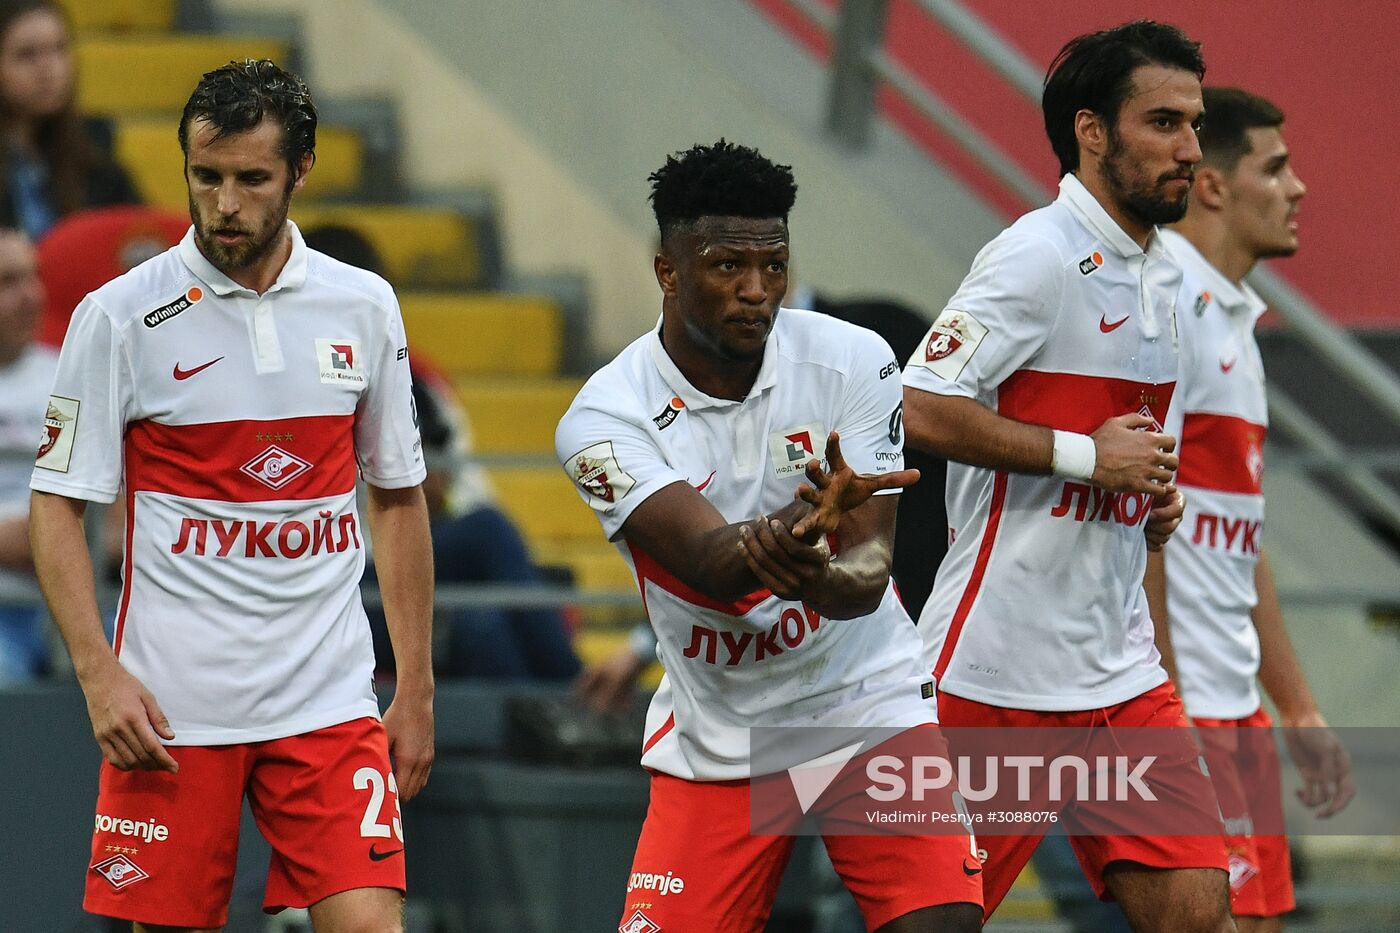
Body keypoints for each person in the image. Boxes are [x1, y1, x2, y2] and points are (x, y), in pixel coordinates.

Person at [29, 59, 433, 932]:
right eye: (205, 177)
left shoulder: (362, 306)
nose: (225, 204)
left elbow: (398, 498)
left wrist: (418, 688)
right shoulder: (118, 316)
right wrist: (98, 676)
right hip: (173, 711)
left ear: (302, 169)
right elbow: (56, 507)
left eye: (252, 179)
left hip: (327, 700)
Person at [556, 140, 982, 933]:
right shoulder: (602, 417)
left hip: (864, 701)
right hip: (722, 734)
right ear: (668, 271)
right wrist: (807, 519)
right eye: (726, 267)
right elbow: (711, 565)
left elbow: (867, 574)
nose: (757, 291)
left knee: (943, 924)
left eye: (774, 266)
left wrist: (826, 575)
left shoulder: (855, 359)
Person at [901, 20, 1235, 932]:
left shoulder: (1167, 277)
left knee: (1199, 916)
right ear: (1093, 132)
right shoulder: (1034, 255)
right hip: (995, 670)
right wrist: (1090, 457)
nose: (1191, 150)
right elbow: (920, 404)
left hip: (1121, 672)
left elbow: (1124, 456)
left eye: (1194, 123)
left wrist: (1144, 502)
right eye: (1164, 122)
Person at [1149, 86, 1354, 931]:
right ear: (1214, 186)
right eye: (1276, 168)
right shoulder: (1166, 308)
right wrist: (1163, 713)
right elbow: (1139, 527)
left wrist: (1297, 706)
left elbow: (1242, 539)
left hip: (1235, 708)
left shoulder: (1233, 321)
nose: (1299, 188)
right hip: (1183, 705)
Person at [0, 0, 139, 240]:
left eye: (59, 49)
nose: (48, 68)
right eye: (27, 55)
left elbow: (136, 231)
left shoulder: (93, 139)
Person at [0, 225, 51, 680]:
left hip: (82, 604)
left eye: (32, 277)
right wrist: (52, 535)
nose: (32, 296)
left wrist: (37, 538)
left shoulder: (70, 374)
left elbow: (117, 526)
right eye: (8, 282)